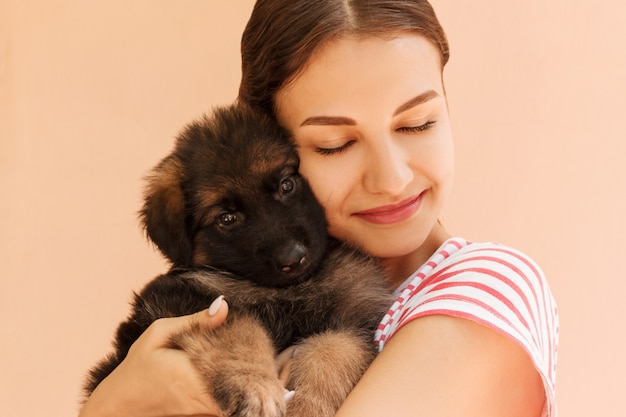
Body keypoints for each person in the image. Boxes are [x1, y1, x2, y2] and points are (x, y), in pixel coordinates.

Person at [79, 1, 559, 416]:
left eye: (417, 123)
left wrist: (118, 404)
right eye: (334, 144)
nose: (391, 178)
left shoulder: (488, 290)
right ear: (274, 137)